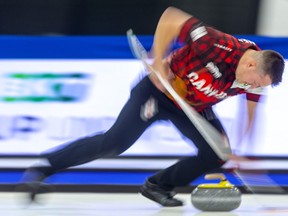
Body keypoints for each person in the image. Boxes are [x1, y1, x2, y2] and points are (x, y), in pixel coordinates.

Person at [18, 7, 285, 207]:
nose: (252, 87)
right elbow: (170, 16)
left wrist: (243, 151)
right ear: (250, 64)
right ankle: (43, 168)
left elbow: (250, 115)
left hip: (193, 106)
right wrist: (158, 62)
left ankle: (158, 186)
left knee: (218, 153)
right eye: (253, 82)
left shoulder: (257, 80)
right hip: (159, 92)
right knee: (114, 143)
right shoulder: (215, 44)